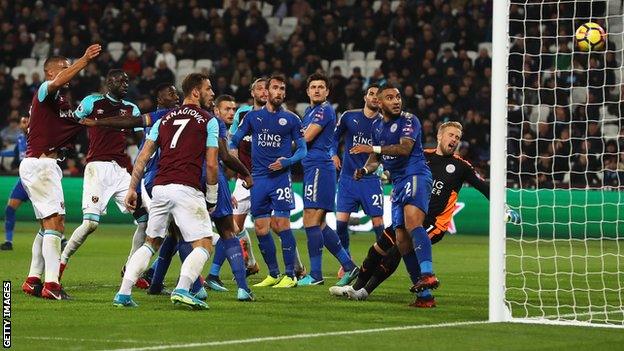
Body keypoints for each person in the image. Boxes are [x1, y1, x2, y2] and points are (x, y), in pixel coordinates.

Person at [331, 122, 522, 307]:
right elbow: (396, 162)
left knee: (397, 249)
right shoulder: (422, 157)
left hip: (433, 223)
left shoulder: (462, 166)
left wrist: (504, 207)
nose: (454, 140)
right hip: (410, 217)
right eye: (451, 135)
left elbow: (485, 188)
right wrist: (377, 170)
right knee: (376, 250)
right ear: (439, 136)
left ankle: (364, 292)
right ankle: (355, 288)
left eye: (457, 137)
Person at [113, 73, 218, 309]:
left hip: (159, 188)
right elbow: (211, 164)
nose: (212, 93)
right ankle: (182, 288)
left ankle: (123, 293)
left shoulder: (164, 119)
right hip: (186, 187)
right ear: (195, 92)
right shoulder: (208, 120)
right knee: (204, 244)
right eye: (208, 88)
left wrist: (132, 188)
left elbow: (142, 157)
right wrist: (212, 196)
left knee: (152, 242)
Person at [20, 44, 102, 300]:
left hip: (42, 164)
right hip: (41, 165)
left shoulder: (61, 103)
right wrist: (83, 60)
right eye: (63, 69)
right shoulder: (44, 91)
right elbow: (58, 83)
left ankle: (33, 279)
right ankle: (52, 285)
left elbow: (73, 123)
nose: (69, 73)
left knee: (47, 226)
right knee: (56, 223)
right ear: (50, 73)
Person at [350, 83, 438, 305]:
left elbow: (404, 148)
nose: (397, 101)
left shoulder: (409, 120)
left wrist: (373, 149)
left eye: (398, 96)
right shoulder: (377, 127)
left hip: (415, 174)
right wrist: (364, 169)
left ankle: (427, 274)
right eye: (390, 97)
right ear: (379, 102)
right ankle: (424, 295)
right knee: (401, 240)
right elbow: (374, 160)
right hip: (398, 184)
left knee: (412, 222)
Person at [60, 70, 142, 279]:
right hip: (98, 167)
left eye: (127, 80)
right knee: (90, 224)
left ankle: (130, 269)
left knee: (147, 220)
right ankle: (61, 262)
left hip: (123, 171)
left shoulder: (131, 109)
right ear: (109, 82)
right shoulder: (92, 102)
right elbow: (71, 126)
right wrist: (62, 150)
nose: (125, 84)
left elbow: (144, 140)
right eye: (121, 80)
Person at [230, 75, 307, 288]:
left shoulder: (292, 119)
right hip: (259, 180)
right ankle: (273, 274)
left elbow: (303, 149)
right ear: (268, 91)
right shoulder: (253, 118)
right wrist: (242, 171)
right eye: (275, 88)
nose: (279, 92)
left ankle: (290, 275)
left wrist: (287, 161)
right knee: (261, 228)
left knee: (282, 225)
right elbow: (234, 141)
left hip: (280, 179)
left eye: (282, 88)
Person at [298, 73, 359, 287]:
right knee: (319, 223)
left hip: (319, 167)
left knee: (310, 221)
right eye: (313, 86)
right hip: (312, 168)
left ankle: (315, 275)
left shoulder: (324, 110)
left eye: (320, 87)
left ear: (327, 91)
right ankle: (350, 267)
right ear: (307, 91)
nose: (316, 90)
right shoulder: (309, 111)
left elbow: (306, 137)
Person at [331, 84, 385, 276]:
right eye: (371, 94)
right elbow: (334, 138)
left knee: (378, 223)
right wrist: (333, 155)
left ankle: (381, 261)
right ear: (365, 97)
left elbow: (384, 152)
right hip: (347, 179)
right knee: (340, 224)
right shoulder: (348, 116)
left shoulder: (385, 123)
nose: (375, 97)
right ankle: (346, 261)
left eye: (379, 95)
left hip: (371, 179)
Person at [2, 116, 30, 251]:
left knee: (45, 213)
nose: (24, 124)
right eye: (22, 122)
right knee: (9, 209)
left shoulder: (36, 135)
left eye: (26, 121)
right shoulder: (20, 138)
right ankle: (8, 242)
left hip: (36, 180)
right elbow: (15, 153)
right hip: (23, 180)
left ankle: (62, 239)